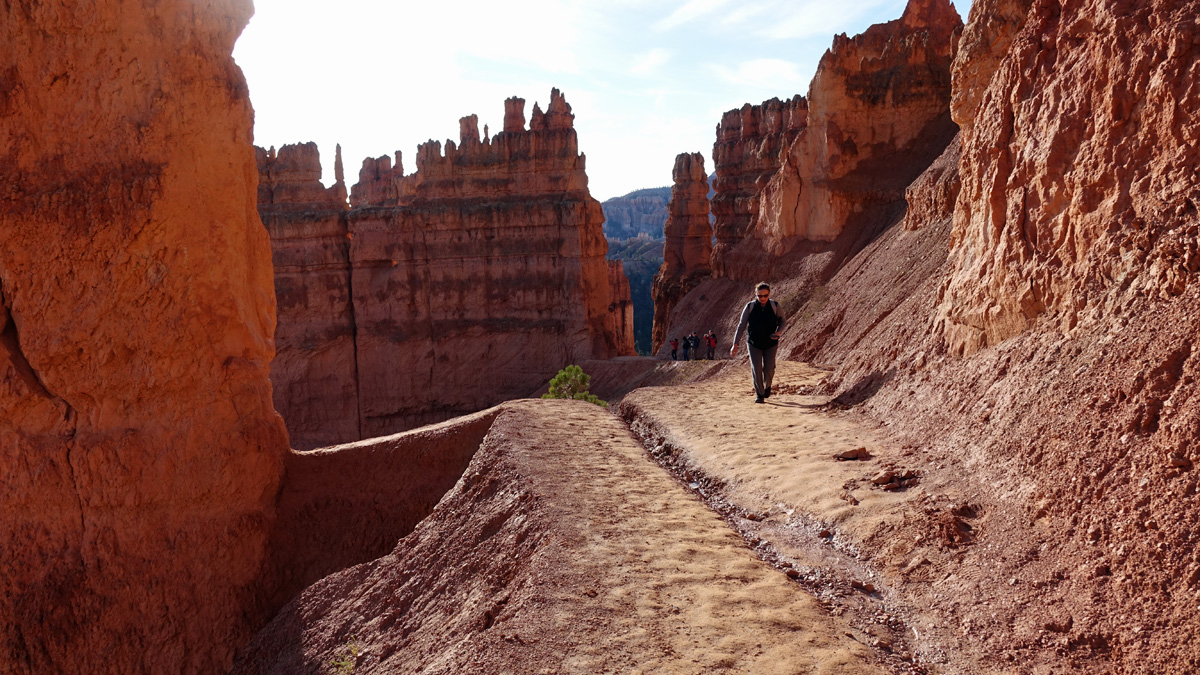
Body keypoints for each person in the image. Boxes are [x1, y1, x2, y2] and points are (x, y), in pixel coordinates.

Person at [731, 282, 784, 403]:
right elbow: (741, 325)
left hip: (771, 343)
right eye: (760, 296)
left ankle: (767, 386)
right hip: (754, 343)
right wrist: (735, 343)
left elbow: (783, 321)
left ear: (769, 294)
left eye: (765, 296)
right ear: (756, 295)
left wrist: (779, 332)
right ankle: (759, 394)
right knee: (756, 368)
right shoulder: (749, 307)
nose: (763, 298)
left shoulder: (775, 305)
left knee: (769, 369)